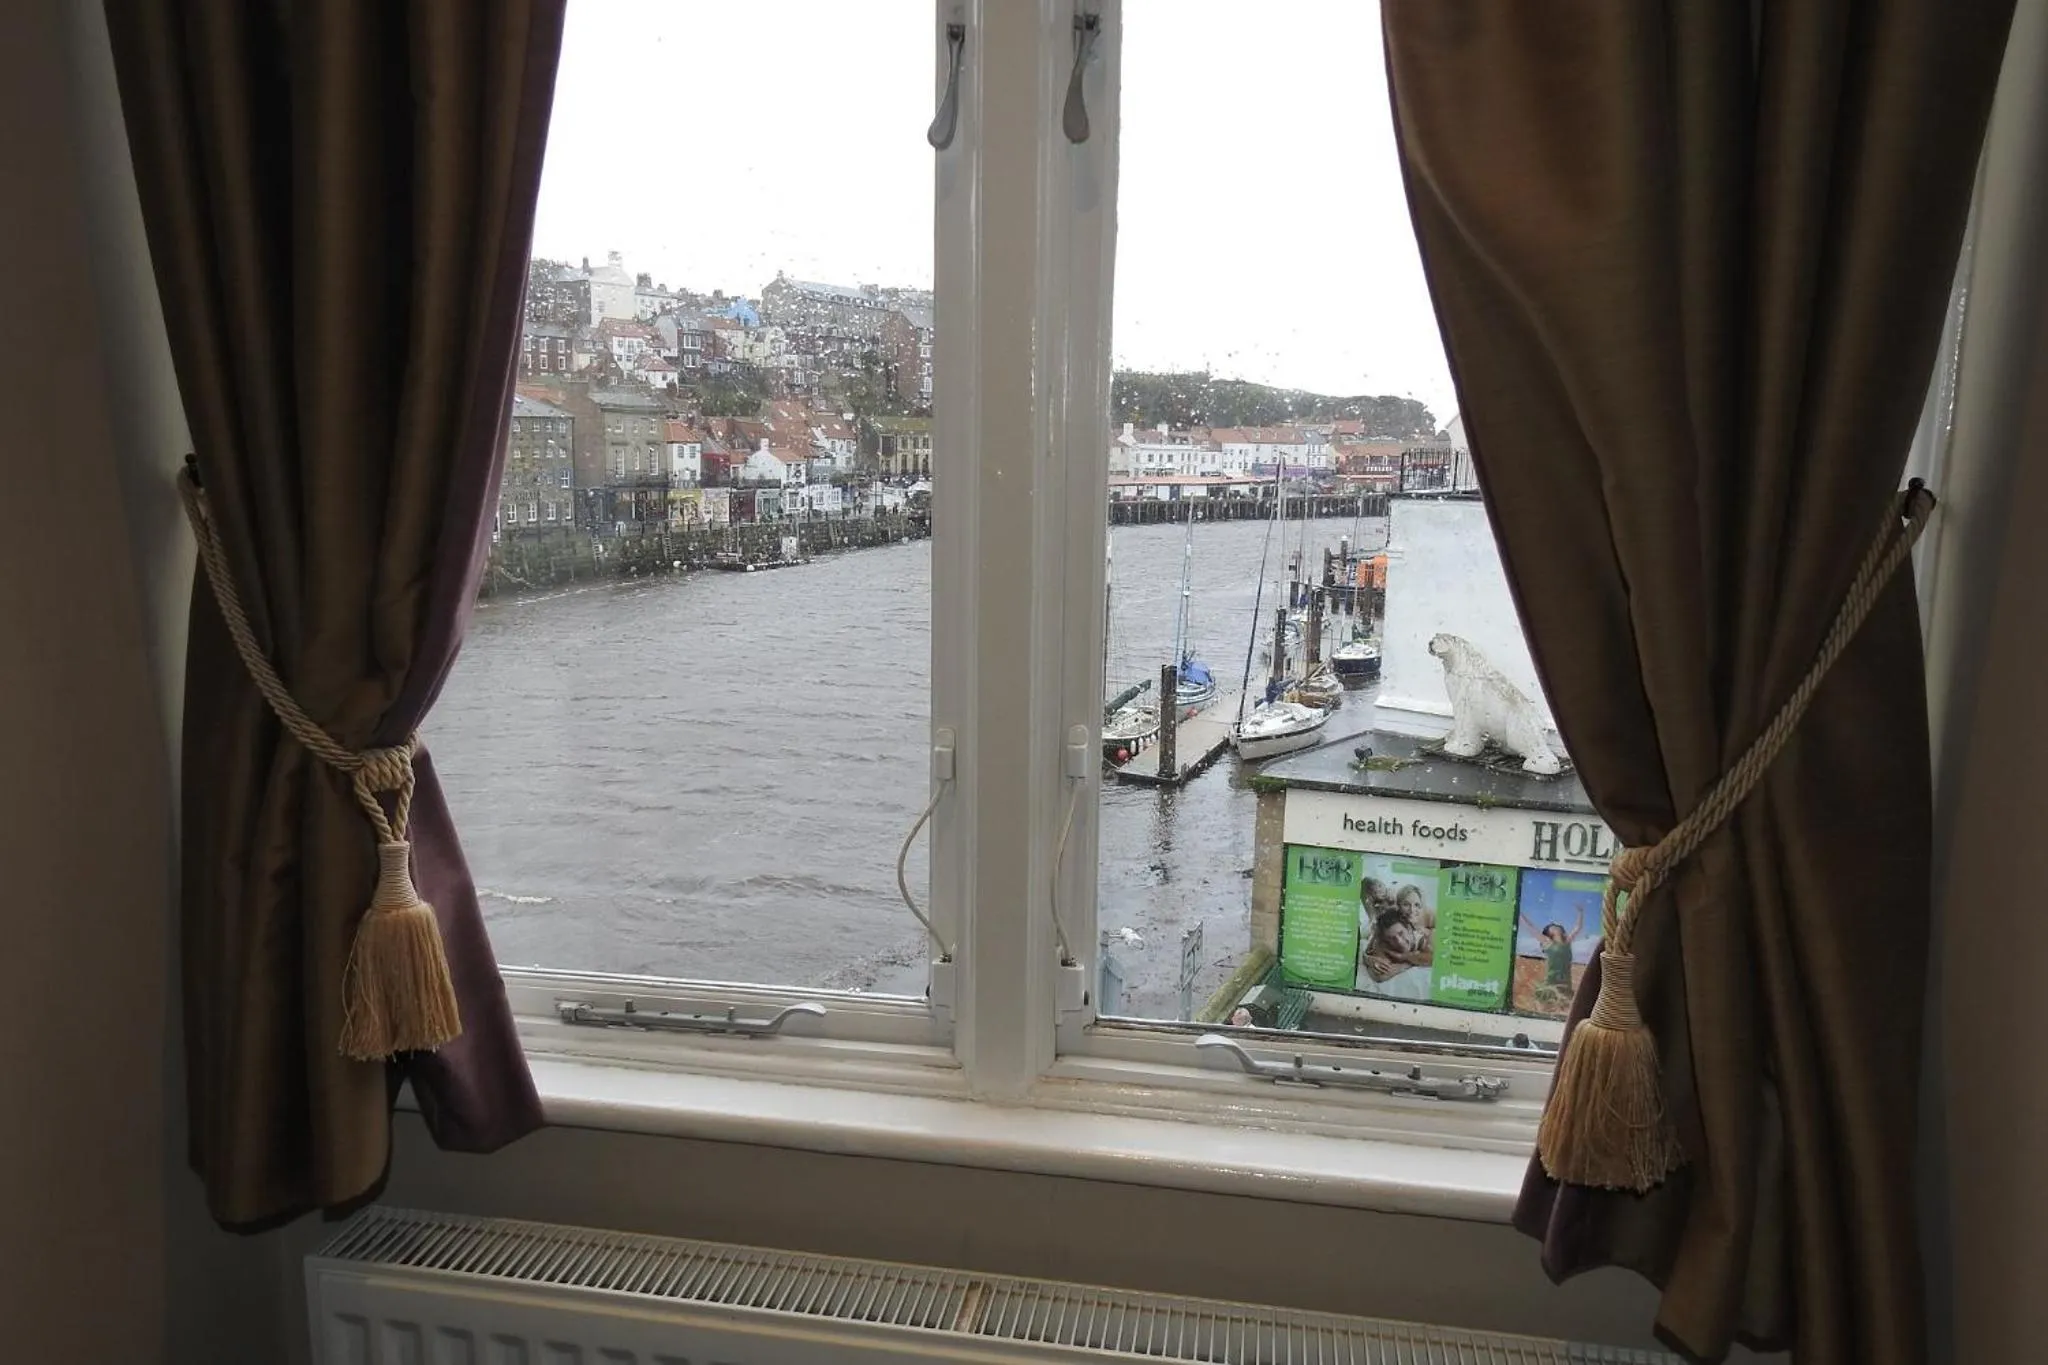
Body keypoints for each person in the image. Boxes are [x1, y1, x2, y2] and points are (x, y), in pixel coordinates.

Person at [1359, 878, 1434, 1001]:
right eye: (1374, 890)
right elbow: (1379, 976)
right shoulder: (1382, 936)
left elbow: (1435, 957)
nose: (1399, 941)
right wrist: (1367, 958)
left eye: (1379, 886)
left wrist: (1405, 958)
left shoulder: (1421, 924)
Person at [1519, 906, 1587, 1008]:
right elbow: (1530, 927)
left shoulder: (1567, 942)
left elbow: (1578, 928)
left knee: (1563, 1005)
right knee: (1548, 1004)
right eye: (1552, 926)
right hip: (1551, 980)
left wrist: (1580, 912)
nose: (1555, 926)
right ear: (1549, 932)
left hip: (1565, 981)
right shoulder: (1547, 942)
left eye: (1557, 926)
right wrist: (1520, 914)